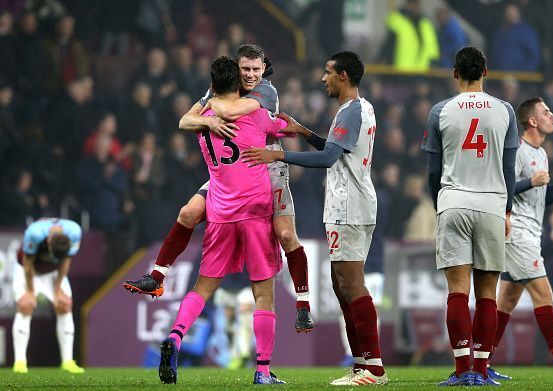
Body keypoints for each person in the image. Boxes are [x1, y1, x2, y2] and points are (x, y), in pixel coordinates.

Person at [123, 44, 313, 333]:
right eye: (244, 69)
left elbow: (231, 108)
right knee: (188, 213)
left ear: (263, 70)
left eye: (255, 69)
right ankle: (157, 277)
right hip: (230, 172)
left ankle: (303, 303)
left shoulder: (265, 92)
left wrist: (211, 104)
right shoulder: (223, 89)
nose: (250, 75)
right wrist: (208, 123)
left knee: (286, 234)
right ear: (236, 69)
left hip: (267, 168)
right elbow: (185, 121)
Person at [242, 51, 388, 386]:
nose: (323, 78)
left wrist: (277, 153)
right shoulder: (356, 109)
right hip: (349, 202)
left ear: (345, 76)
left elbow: (327, 159)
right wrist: (303, 131)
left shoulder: (351, 111)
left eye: (328, 72)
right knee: (341, 285)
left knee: (351, 282)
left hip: (349, 205)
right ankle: (361, 364)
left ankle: (374, 368)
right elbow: (334, 150)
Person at [157, 56, 287, 385]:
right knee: (263, 294)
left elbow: (187, 120)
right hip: (255, 212)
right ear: (239, 81)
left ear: (213, 85)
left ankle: (174, 337)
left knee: (203, 288)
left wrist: (210, 114)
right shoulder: (256, 111)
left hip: (220, 212)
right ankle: (261, 370)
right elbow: (286, 127)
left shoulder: (205, 117)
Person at [421, 46, 519, 386]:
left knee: (457, 292)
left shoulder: (440, 111)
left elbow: (433, 173)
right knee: (488, 293)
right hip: (492, 205)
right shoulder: (505, 110)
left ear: (455, 74)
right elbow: (508, 168)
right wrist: (507, 210)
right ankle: (481, 371)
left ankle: (462, 371)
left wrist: (441, 204)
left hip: (453, 203)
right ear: (486, 73)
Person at [487, 97, 553, 381]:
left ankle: (480, 363)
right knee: (545, 295)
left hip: (531, 232)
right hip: (516, 231)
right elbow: (501, 188)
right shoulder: (516, 150)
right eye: (546, 112)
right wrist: (529, 182)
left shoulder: (542, 154)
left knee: (506, 302)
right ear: (532, 121)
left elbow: (542, 199)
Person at [12, 218, 85, 374]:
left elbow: (66, 260)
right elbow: (28, 262)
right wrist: (30, 291)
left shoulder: (74, 231)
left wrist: (58, 289)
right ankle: (20, 362)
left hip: (53, 272)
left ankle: (67, 361)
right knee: (26, 305)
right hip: (27, 269)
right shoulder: (34, 233)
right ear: (48, 242)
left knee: (65, 304)